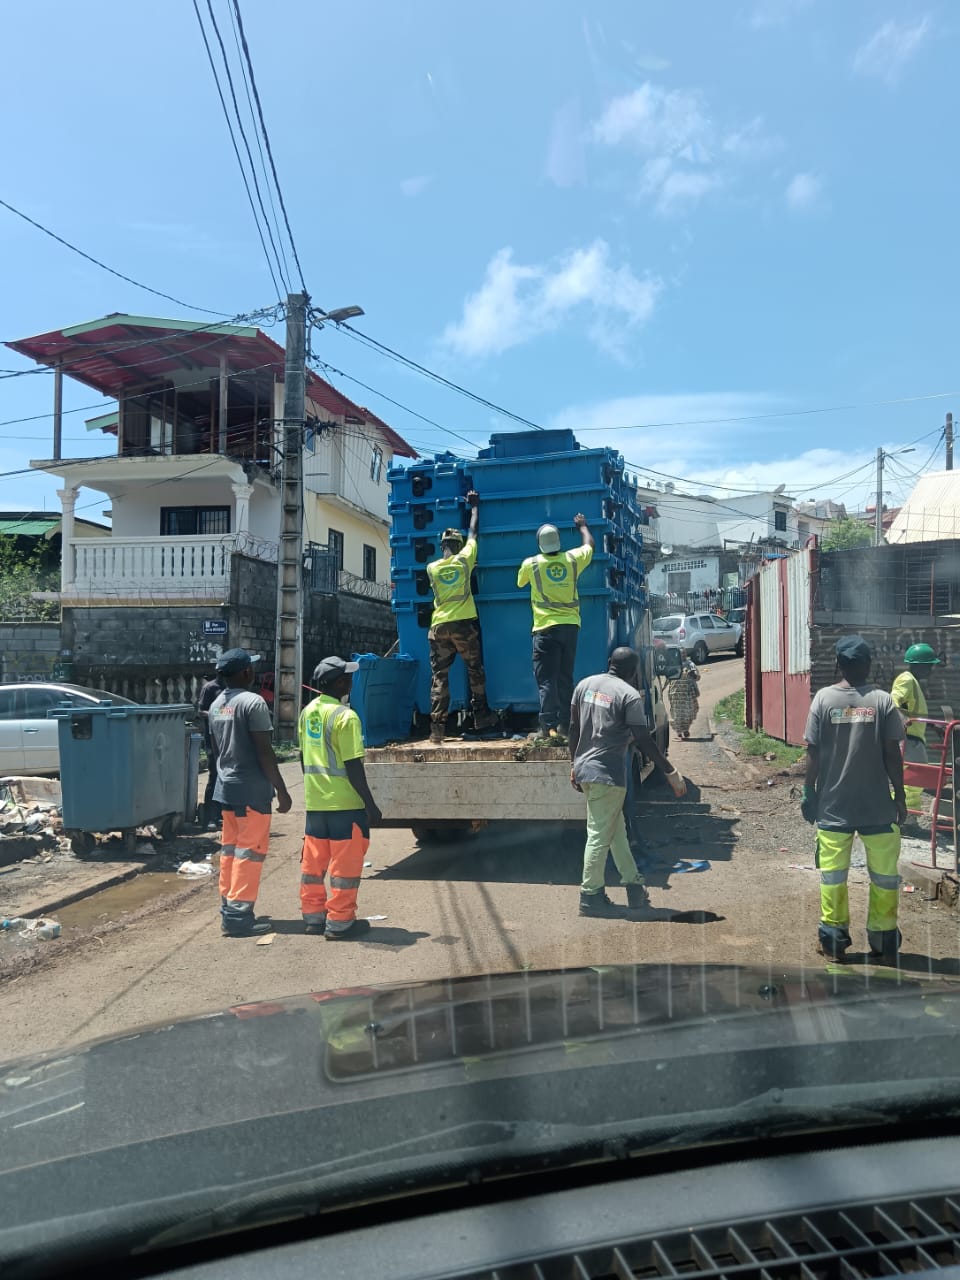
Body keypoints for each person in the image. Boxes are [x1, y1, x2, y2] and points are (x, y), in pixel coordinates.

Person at [802, 635, 907, 963]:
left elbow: (813, 752)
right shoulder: (883, 700)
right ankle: (884, 938)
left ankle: (833, 940)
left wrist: (809, 792)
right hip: (878, 808)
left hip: (834, 807)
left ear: (839, 664)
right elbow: (893, 753)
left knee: (833, 877)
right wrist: (900, 796)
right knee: (885, 877)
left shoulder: (823, 699)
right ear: (868, 664)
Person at [570, 646, 686, 917]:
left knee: (616, 832)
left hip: (586, 770)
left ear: (609, 662)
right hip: (607, 774)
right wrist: (670, 771)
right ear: (634, 672)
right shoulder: (629, 696)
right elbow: (644, 739)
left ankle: (634, 886)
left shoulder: (584, 685)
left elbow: (574, 727)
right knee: (599, 836)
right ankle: (590, 896)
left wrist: (573, 764)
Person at [298, 656, 383, 940]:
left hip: (315, 804)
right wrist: (371, 805)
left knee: (313, 867)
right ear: (339, 682)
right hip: (346, 806)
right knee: (344, 870)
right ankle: (340, 923)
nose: (351, 679)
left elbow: (303, 758)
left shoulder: (307, 712)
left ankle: (313, 918)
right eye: (347, 676)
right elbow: (353, 766)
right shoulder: (346, 717)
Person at [208, 649, 292, 938]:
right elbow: (265, 752)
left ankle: (229, 908)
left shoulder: (218, 704)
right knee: (250, 853)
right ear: (245, 673)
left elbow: (218, 750)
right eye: (251, 668)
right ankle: (240, 917)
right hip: (252, 790)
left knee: (231, 851)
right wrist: (282, 790)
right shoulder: (253, 703)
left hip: (226, 789)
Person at [425, 490, 498, 744]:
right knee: (474, 670)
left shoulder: (432, 568)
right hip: (463, 625)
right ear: (458, 546)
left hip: (438, 626)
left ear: (442, 546)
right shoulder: (465, 560)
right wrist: (474, 507)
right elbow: (473, 532)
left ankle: (437, 729)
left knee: (439, 677)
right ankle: (481, 717)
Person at [517, 514, 595, 742]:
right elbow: (589, 545)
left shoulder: (531, 564)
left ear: (539, 543)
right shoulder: (572, 559)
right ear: (559, 541)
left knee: (546, 680)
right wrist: (582, 526)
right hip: (570, 627)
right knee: (565, 678)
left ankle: (547, 727)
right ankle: (567, 725)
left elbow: (520, 582)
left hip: (545, 629)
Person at [891, 642, 942, 822]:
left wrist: (933, 726)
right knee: (912, 782)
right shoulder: (906, 680)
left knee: (914, 782)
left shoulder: (914, 683)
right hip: (908, 738)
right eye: (929, 665)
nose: (931, 669)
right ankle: (905, 821)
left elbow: (910, 710)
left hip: (913, 738)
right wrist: (902, 721)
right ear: (920, 665)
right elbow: (895, 702)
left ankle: (904, 819)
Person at [196, 669, 226, 829]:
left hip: (227, 738)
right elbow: (200, 711)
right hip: (212, 737)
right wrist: (217, 713)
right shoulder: (210, 688)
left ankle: (222, 814)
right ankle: (209, 817)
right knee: (214, 775)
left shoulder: (230, 689)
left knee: (226, 776)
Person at [667, 655, 700, 739]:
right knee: (677, 713)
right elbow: (668, 678)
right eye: (680, 653)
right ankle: (679, 730)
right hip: (675, 693)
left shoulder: (690, 664)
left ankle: (685, 729)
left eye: (684, 653)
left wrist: (693, 675)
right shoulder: (673, 664)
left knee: (690, 711)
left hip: (688, 692)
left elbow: (698, 677)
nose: (682, 655)